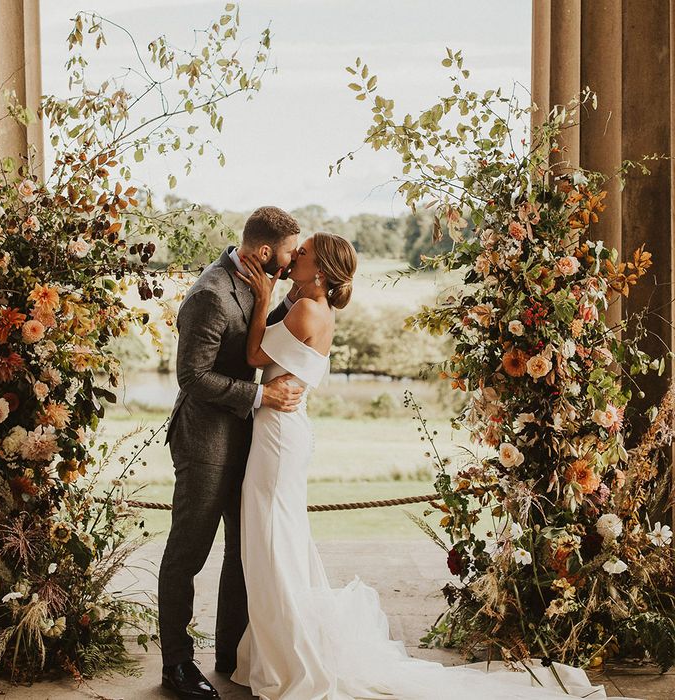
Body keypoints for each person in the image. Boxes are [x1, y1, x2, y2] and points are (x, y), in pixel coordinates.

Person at [230, 232, 617, 700]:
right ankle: (281, 648)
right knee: (279, 540)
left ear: (322, 270)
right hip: (285, 433)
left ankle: (291, 656)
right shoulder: (312, 306)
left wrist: (264, 297)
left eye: (304, 252)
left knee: (272, 540)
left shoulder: (306, 310)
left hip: (277, 437)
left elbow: (254, 357)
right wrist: (280, 293)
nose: (295, 255)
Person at [159, 206, 305, 700]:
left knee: (244, 552)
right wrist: (263, 397)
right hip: (203, 441)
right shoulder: (209, 295)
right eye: (287, 257)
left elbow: (257, 339)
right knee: (188, 554)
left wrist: (306, 297)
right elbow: (192, 377)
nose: (288, 265)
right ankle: (176, 664)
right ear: (264, 253)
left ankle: (231, 654)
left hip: (245, 438)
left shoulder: (258, 283)